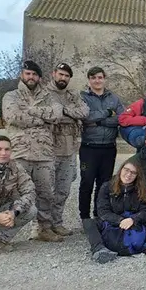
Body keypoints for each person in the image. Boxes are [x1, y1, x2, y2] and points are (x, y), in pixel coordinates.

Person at [2, 60, 63, 242]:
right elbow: (13, 116)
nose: (31, 77)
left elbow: (57, 115)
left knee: (46, 193)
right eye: (28, 73)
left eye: (34, 74)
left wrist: (30, 110)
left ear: (39, 78)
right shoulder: (11, 96)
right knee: (16, 194)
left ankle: (43, 229)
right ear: (22, 75)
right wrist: (42, 119)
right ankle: (4, 233)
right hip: (20, 151)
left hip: (44, 153)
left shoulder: (49, 97)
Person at [44, 63, 90, 237]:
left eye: (66, 76)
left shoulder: (73, 94)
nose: (63, 78)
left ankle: (57, 223)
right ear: (54, 74)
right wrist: (69, 115)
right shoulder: (44, 94)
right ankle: (41, 226)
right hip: (48, 149)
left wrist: (63, 111)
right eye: (61, 74)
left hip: (69, 149)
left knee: (63, 190)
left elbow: (84, 112)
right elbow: (46, 116)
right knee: (46, 190)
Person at [83, 160, 146, 262]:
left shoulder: (142, 190)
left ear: (137, 176)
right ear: (121, 170)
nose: (129, 174)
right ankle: (99, 249)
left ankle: (133, 246)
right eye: (126, 170)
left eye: (133, 173)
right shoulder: (107, 187)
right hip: (112, 222)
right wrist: (120, 220)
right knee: (89, 222)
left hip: (133, 223)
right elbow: (103, 211)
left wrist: (133, 219)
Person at [79, 66, 124, 221]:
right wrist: (108, 113)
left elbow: (121, 118)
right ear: (89, 80)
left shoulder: (114, 98)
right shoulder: (83, 98)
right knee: (87, 183)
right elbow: (86, 117)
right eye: (93, 78)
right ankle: (85, 217)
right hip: (89, 147)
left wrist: (99, 122)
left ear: (104, 79)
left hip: (109, 148)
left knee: (104, 184)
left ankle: (99, 215)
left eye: (99, 77)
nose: (97, 81)